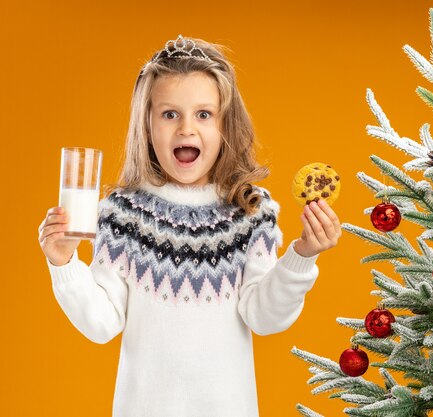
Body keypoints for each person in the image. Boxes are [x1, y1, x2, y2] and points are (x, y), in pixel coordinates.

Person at [38, 35, 341, 417]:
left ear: (225, 126)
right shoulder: (123, 214)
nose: (186, 129)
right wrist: (64, 265)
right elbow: (102, 323)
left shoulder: (250, 212)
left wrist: (302, 256)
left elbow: (264, 317)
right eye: (169, 114)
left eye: (203, 114)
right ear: (146, 126)